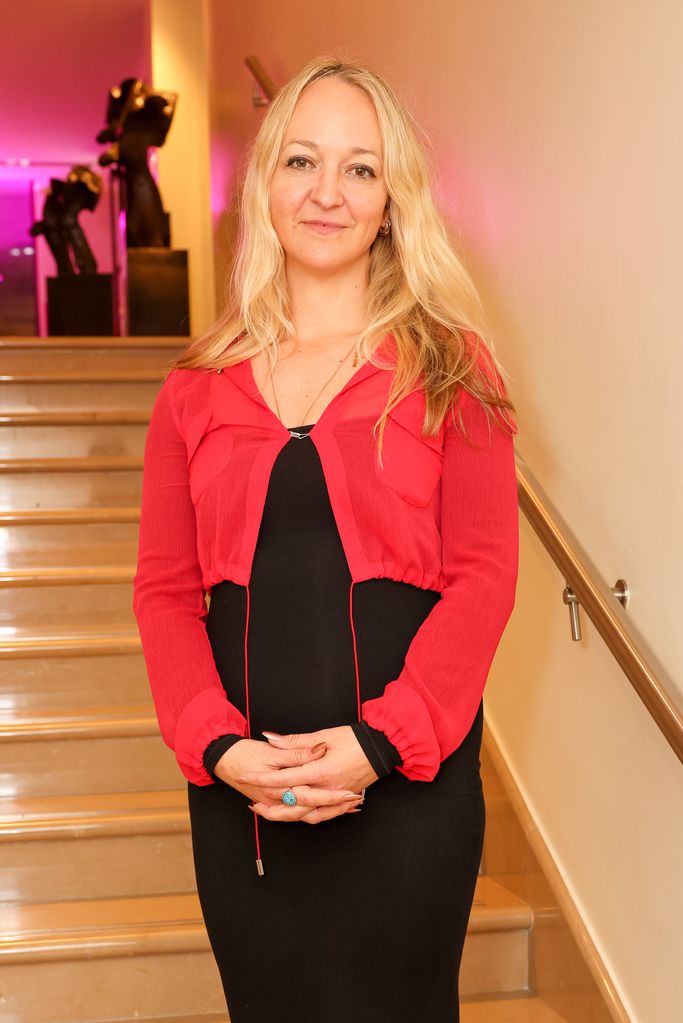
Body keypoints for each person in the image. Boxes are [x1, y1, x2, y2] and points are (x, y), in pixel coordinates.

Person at [133, 54, 519, 1023]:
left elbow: (482, 579)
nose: (327, 193)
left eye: (359, 168)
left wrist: (377, 745)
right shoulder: (192, 388)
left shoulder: (448, 363)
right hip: (242, 800)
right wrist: (216, 746)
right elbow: (164, 594)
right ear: (264, 185)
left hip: (406, 795)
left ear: (391, 202)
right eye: (301, 161)